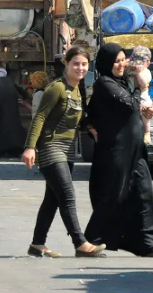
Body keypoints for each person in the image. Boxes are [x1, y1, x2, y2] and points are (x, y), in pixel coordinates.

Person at [85, 43, 153, 257]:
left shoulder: (121, 83)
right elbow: (128, 104)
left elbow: (132, 108)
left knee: (144, 193)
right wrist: (142, 88)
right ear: (107, 63)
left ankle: (150, 244)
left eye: (124, 59)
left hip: (135, 151)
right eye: (117, 61)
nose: (122, 64)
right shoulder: (104, 84)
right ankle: (91, 241)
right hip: (116, 153)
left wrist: (145, 111)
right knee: (114, 195)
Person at [22, 46, 106, 258]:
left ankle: (37, 244)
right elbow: (40, 117)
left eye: (84, 64)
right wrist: (30, 147)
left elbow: (79, 118)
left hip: (67, 149)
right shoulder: (56, 88)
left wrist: (90, 128)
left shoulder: (78, 89)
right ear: (66, 64)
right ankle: (80, 243)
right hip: (50, 147)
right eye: (76, 63)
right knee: (67, 195)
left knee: (52, 199)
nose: (80, 68)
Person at [0, 68, 30, 157]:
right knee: (13, 125)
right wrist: (27, 96)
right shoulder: (9, 80)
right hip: (12, 105)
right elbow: (21, 91)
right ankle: (15, 149)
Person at [127, 46, 153, 145]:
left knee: (145, 114)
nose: (136, 65)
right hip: (130, 96)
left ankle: (147, 132)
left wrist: (138, 73)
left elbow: (143, 84)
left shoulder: (146, 72)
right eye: (134, 61)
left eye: (140, 62)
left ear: (147, 63)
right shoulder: (129, 70)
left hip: (143, 98)